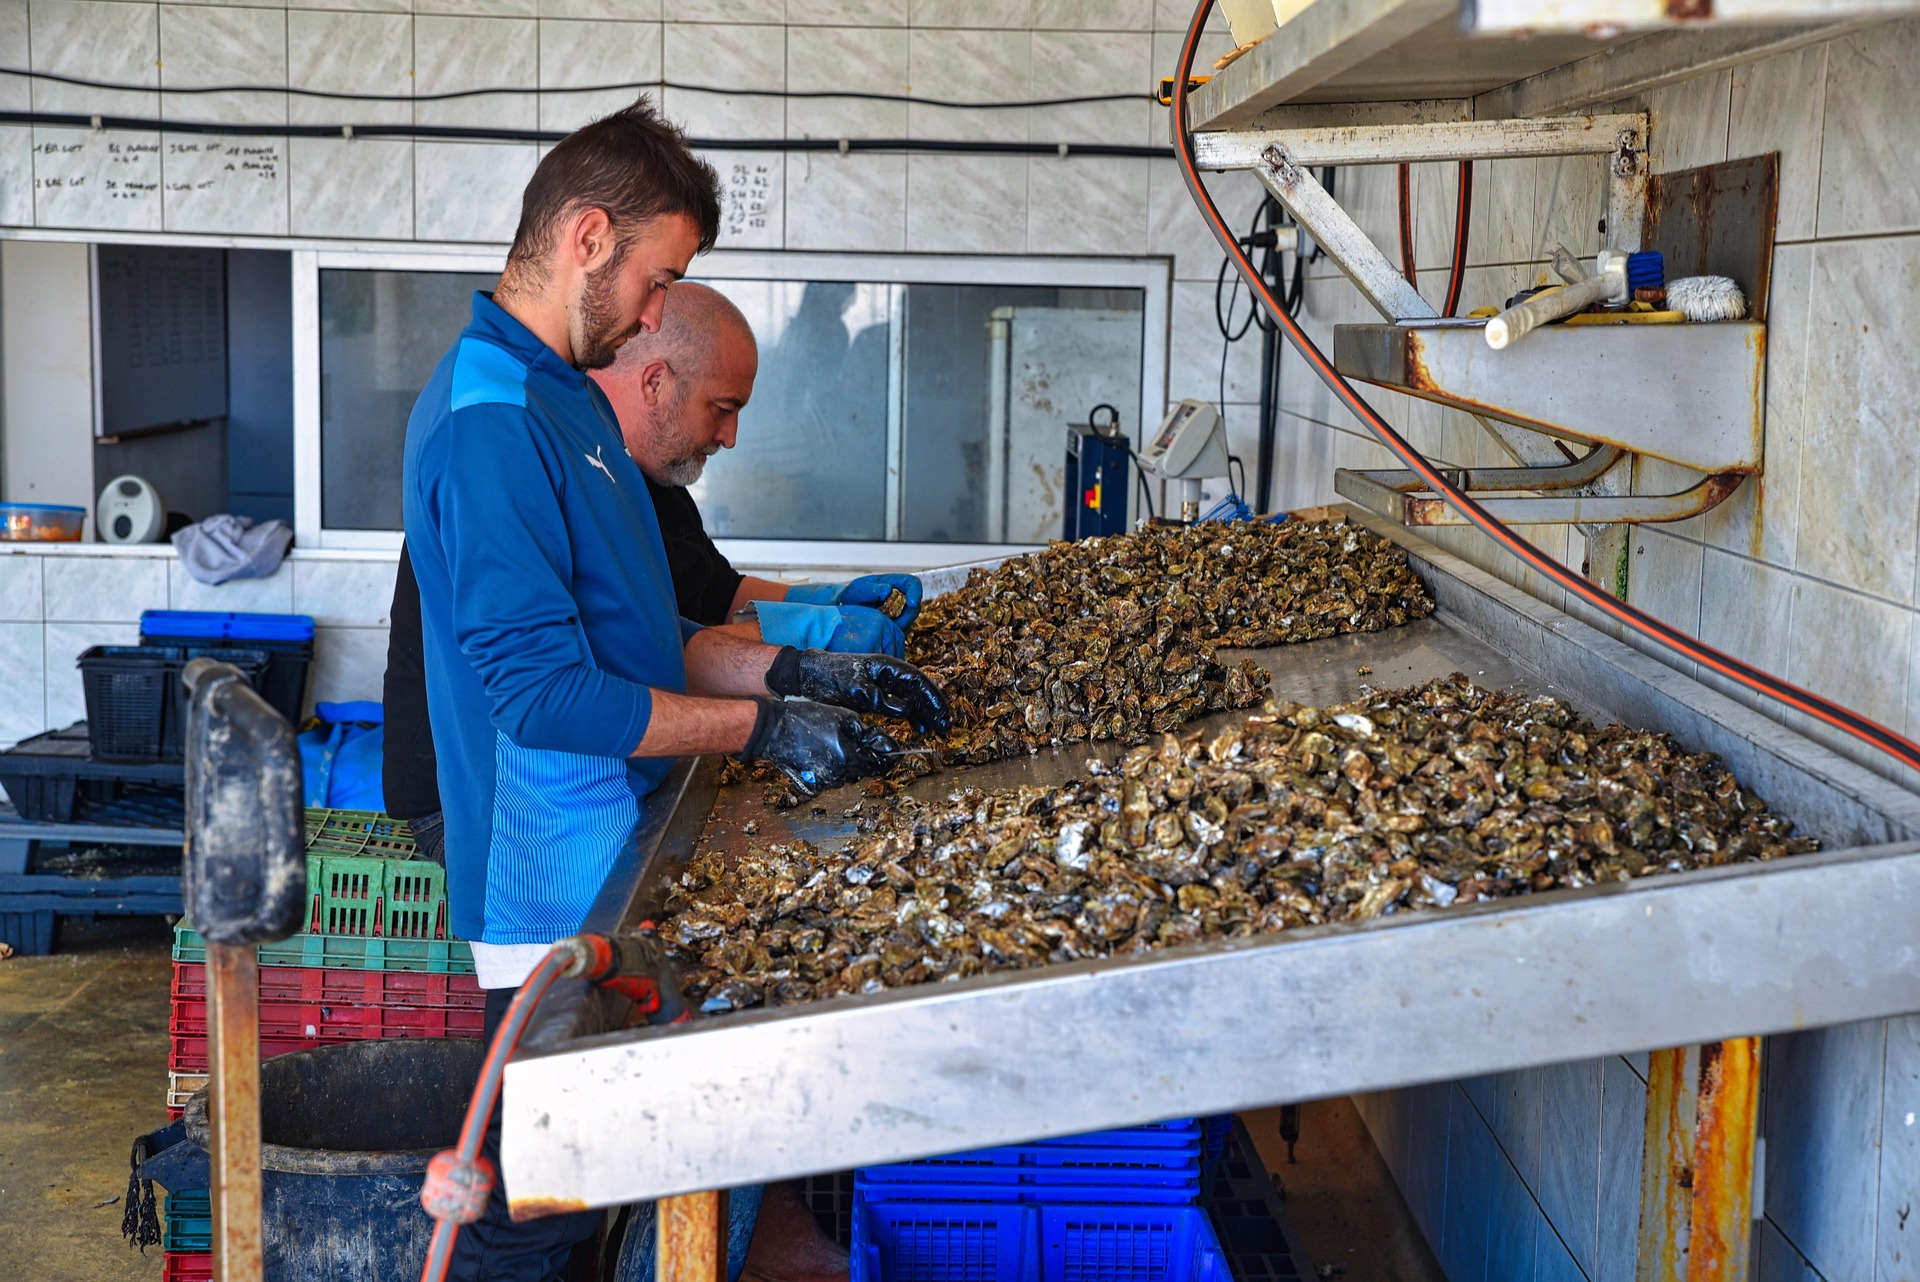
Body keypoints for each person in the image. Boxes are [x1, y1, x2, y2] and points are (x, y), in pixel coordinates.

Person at [400, 100, 951, 1282]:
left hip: (624, 842)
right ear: (587, 236)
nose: (661, 313)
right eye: (661, 279)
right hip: (549, 889)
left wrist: (804, 670)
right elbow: (543, 695)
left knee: (612, 1192)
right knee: (538, 1216)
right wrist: (767, 726)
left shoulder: (564, 400)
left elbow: (652, 640)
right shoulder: (491, 419)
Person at [384, 283, 928, 861]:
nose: (730, 437)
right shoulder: (512, 446)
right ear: (656, 381)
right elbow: (549, 692)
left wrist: (816, 638)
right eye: (722, 409)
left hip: (583, 778)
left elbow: (701, 607)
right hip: (482, 805)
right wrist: (774, 714)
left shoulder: (635, 472)